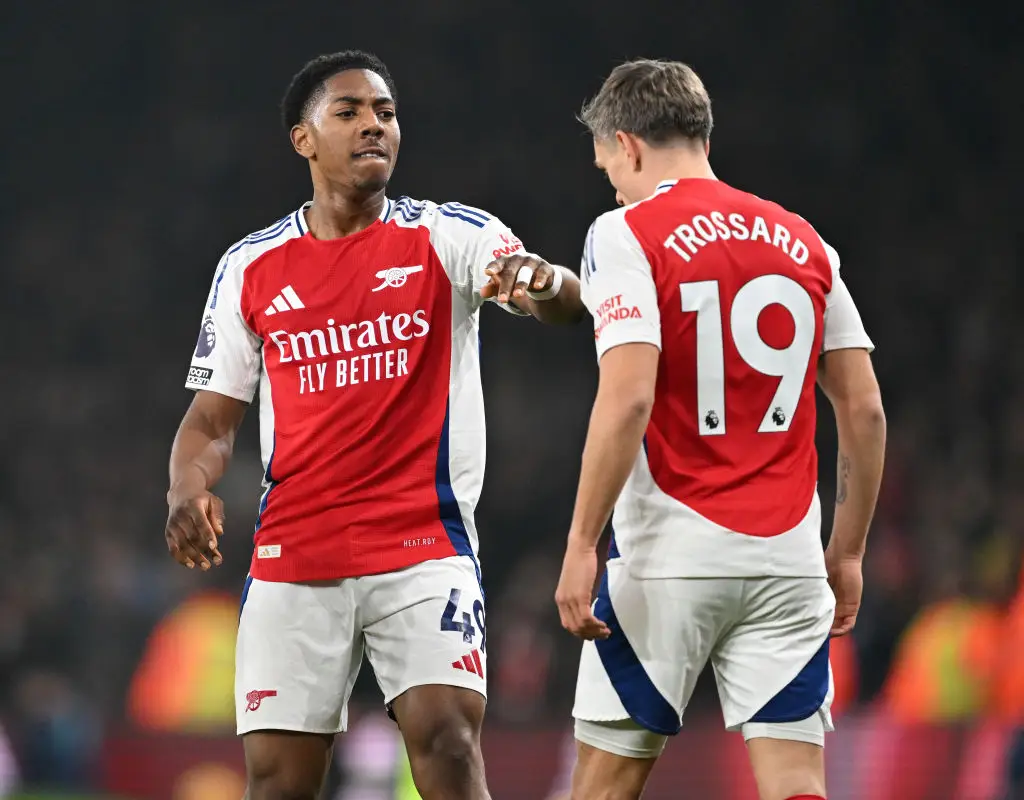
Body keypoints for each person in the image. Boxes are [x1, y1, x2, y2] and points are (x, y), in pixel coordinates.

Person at [164, 50, 584, 800]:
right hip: (295, 553)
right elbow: (210, 417)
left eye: (385, 113)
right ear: (304, 139)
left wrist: (540, 281)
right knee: (277, 784)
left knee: (449, 741)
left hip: (422, 546)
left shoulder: (447, 234)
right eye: (350, 112)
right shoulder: (250, 266)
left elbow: (552, 294)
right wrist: (185, 488)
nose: (373, 126)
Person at [554, 59, 886, 800]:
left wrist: (582, 542)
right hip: (788, 561)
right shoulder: (805, 241)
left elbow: (629, 395)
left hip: (669, 559)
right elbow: (862, 408)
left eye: (611, 167)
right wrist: (850, 550)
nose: (613, 184)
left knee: (604, 784)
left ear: (629, 145)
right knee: (797, 783)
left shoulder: (624, 232)